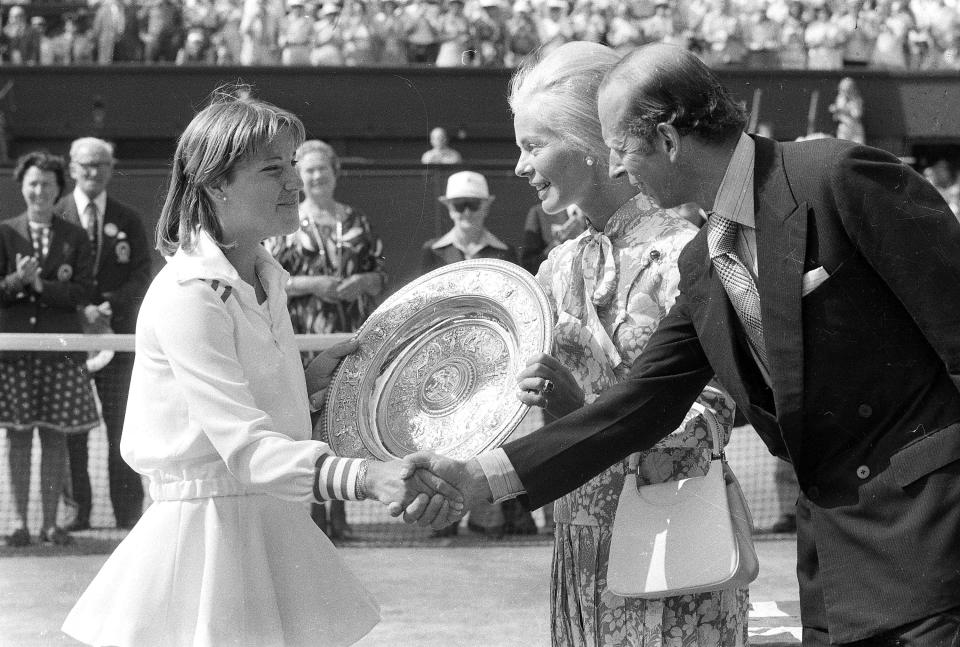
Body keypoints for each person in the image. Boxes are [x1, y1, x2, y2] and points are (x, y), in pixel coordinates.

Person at [406, 42, 960, 647]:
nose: (616, 170)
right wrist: (480, 477)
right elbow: (644, 402)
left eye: (620, 150)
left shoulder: (835, 177)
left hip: (934, 538)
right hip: (836, 557)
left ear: (668, 140)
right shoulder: (704, 261)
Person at [61, 89, 461, 647]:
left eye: (292, 165)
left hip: (268, 522)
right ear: (215, 183)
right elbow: (245, 449)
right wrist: (367, 476)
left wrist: (306, 384)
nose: (294, 183)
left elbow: (251, 412)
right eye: (272, 169)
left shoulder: (264, 279)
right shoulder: (188, 295)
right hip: (204, 543)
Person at [508, 40, 747, 645]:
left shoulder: (687, 254)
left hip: (677, 545)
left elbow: (714, 415)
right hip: (581, 544)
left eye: (534, 145)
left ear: (591, 146)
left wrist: (580, 414)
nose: (519, 166)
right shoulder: (555, 268)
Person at [266, 138, 387, 539]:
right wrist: (314, 283)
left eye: (323, 169)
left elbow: (378, 272)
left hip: (347, 337)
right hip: (302, 338)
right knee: (305, 420)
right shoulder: (283, 225)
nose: (316, 177)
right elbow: (270, 280)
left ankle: (340, 515)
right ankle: (311, 516)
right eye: (308, 170)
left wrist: (362, 282)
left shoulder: (356, 221)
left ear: (335, 173)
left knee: (342, 419)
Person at [0, 152, 99, 547]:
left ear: (59, 189)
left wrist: (42, 287)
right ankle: (20, 524)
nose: (39, 191)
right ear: (23, 187)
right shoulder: (5, 233)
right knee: (19, 438)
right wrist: (15, 281)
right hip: (16, 356)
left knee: (56, 438)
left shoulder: (75, 237)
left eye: (47, 184)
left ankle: (51, 525)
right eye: (33, 183)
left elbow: (83, 291)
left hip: (60, 354)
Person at [55, 137, 152, 532]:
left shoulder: (127, 219)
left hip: (119, 341)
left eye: (101, 164)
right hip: (71, 341)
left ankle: (127, 512)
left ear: (111, 169)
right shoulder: (56, 215)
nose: (93, 171)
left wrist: (109, 305)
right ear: (72, 168)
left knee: (121, 428)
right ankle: (77, 510)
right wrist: (80, 310)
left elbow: (141, 271)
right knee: (71, 429)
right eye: (86, 165)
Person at [420, 170, 515, 273]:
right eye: (459, 205)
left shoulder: (506, 253)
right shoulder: (432, 251)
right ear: (450, 208)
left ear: (486, 207)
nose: (467, 213)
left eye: (473, 204)